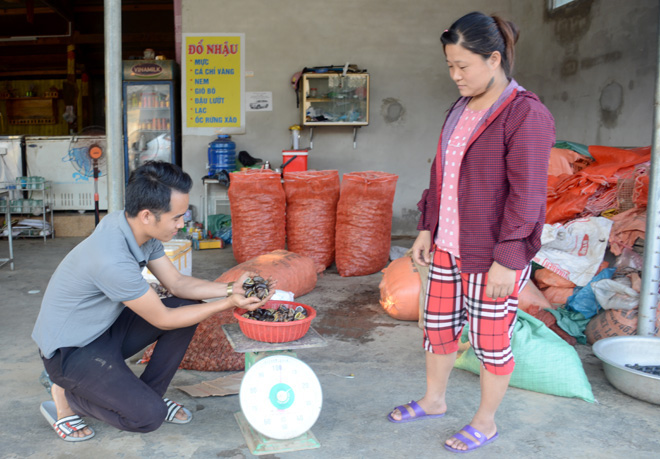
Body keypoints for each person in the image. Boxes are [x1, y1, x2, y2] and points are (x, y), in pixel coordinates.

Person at [387, 12, 555, 453]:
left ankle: (486, 421)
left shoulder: (525, 114)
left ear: (494, 59)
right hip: (446, 245)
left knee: (490, 341)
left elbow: (528, 195)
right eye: (450, 66)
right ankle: (434, 400)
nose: (455, 76)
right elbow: (442, 172)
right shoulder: (460, 109)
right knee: (438, 328)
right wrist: (426, 227)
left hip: (492, 254)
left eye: (463, 66)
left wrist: (510, 257)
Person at [32, 161, 273, 442]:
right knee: (148, 417)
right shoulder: (111, 258)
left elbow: (178, 284)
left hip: (104, 329)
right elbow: (162, 319)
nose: (182, 224)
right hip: (70, 351)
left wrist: (232, 287)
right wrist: (230, 302)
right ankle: (68, 397)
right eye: (177, 217)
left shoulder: (132, 227)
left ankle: (147, 395)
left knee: (186, 306)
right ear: (147, 215)